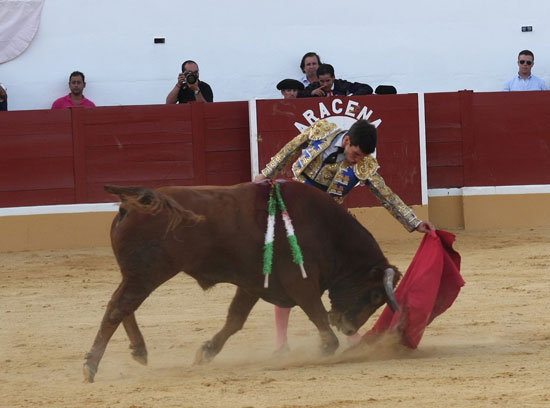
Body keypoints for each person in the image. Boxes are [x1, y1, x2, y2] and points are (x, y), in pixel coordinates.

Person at [254, 118, 435, 353]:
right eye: (356, 153)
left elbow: (386, 195)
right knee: (287, 270)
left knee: (337, 274)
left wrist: (414, 222)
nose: (358, 160)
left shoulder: (365, 165)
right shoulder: (322, 131)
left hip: (326, 218)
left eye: (362, 156)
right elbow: (291, 148)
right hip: (294, 205)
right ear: (347, 140)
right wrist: (266, 173)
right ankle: (281, 342)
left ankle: (352, 335)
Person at [300, 63, 373, 97]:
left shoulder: (342, 85)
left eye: (328, 81)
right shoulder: (314, 86)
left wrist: (350, 97)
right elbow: (299, 95)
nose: (325, 84)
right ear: (318, 79)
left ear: (333, 77)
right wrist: (311, 93)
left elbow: (367, 88)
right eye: (322, 81)